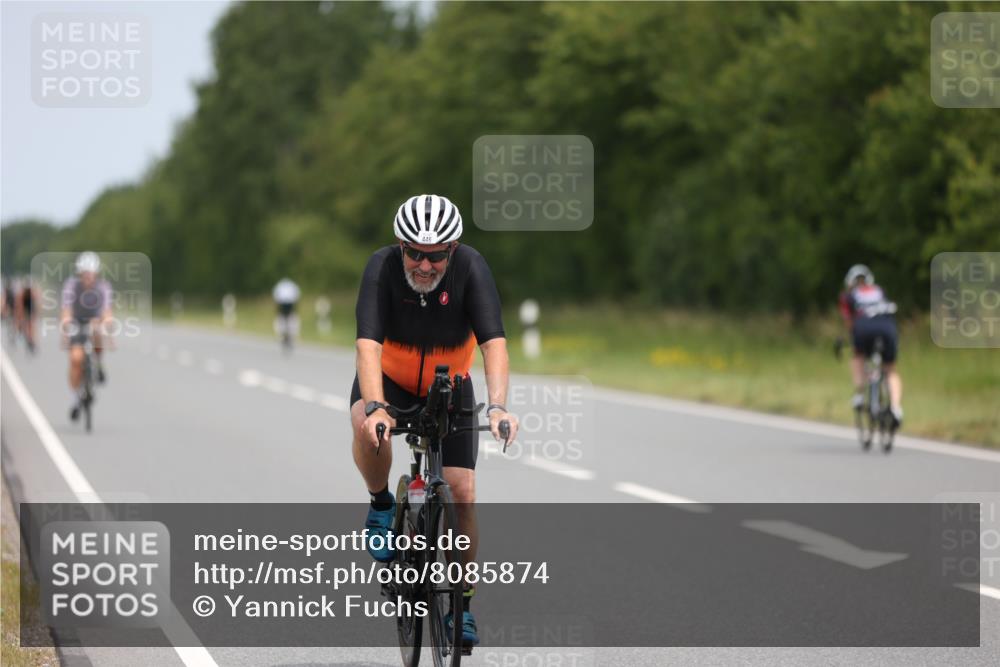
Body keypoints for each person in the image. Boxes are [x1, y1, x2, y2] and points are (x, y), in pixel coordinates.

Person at [351, 193, 519, 647]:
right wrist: (374, 407)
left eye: (437, 255)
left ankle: (462, 602)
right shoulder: (381, 268)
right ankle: (382, 503)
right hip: (389, 380)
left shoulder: (472, 268)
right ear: (400, 245)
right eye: (415, 253)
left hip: (450, 385)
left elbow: (494, 343)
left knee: (462, 491)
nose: (424, 266)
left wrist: (499, 405)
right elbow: (368, 344)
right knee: (369, 431)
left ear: (454, 249)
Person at [839, 264, 902, 429]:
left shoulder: (849, 295)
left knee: (858, 357)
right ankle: (895, 407)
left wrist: (846, 339)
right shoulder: (880, 291)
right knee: (890, 370)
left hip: (863, 328)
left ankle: (860, 394)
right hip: (888, 328)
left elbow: (849, 323)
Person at [61, 252, 113, 421]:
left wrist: (106, 324)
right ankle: (76, 400)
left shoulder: (103, 287)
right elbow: (66, 310)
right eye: (85, 274)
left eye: (91, 274)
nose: (88, 277)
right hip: (77, 322)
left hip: (95, 320)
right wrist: (67, 324)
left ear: (96, 274)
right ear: (79, 274)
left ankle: (98, 363)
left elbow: (107, 311)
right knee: (76, 359)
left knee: (98, 332)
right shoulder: (71, 286)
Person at [272, 277, 301, 349]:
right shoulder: (291, 285)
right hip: (288, 303)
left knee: (285, 318)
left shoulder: (281, 285)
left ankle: (285, 333)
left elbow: (276, 295)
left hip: (284, 303)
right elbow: (297, 295)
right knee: (286, 318)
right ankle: (285, 333)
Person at [16, 276, 38, 353]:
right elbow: (20, 306)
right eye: (27, 289)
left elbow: (36, 304)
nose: (28, 290)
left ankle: (32, 340)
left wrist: (34, 315)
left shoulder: (33, 293)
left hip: (31, 306)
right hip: (24, 305)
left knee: (31, 323)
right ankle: (20, 330)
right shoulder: (22, 294)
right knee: (21, 319)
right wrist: (20, 317)